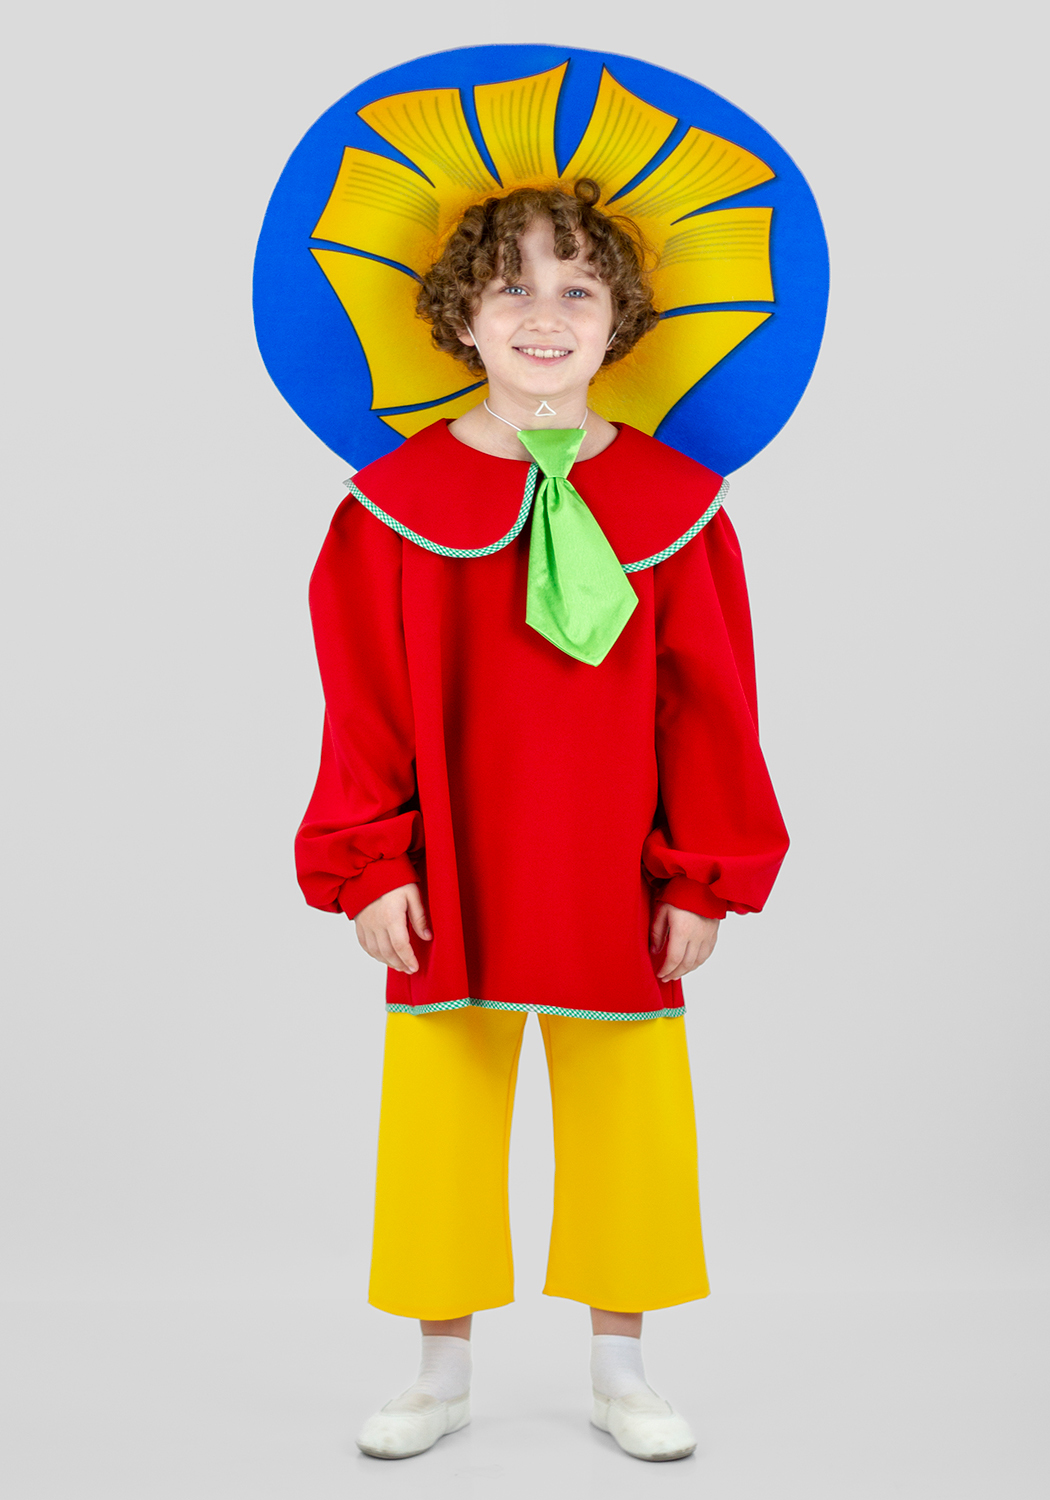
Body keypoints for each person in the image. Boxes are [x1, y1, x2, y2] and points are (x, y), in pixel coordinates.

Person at [295, 180, 789, 1462]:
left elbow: (711, 704)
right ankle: (439, 1368)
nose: (545, 314)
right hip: (452, 852)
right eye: (511, 285)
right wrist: (371, 860)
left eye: (578, 287)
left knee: (629, 1099)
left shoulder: (678, 505)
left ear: (620, 319)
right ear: (461, 315)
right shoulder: (390, 507)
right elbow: (362, 700)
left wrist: (701, 874)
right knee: (441, 1105)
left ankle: (622, 1366)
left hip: (611, 850)